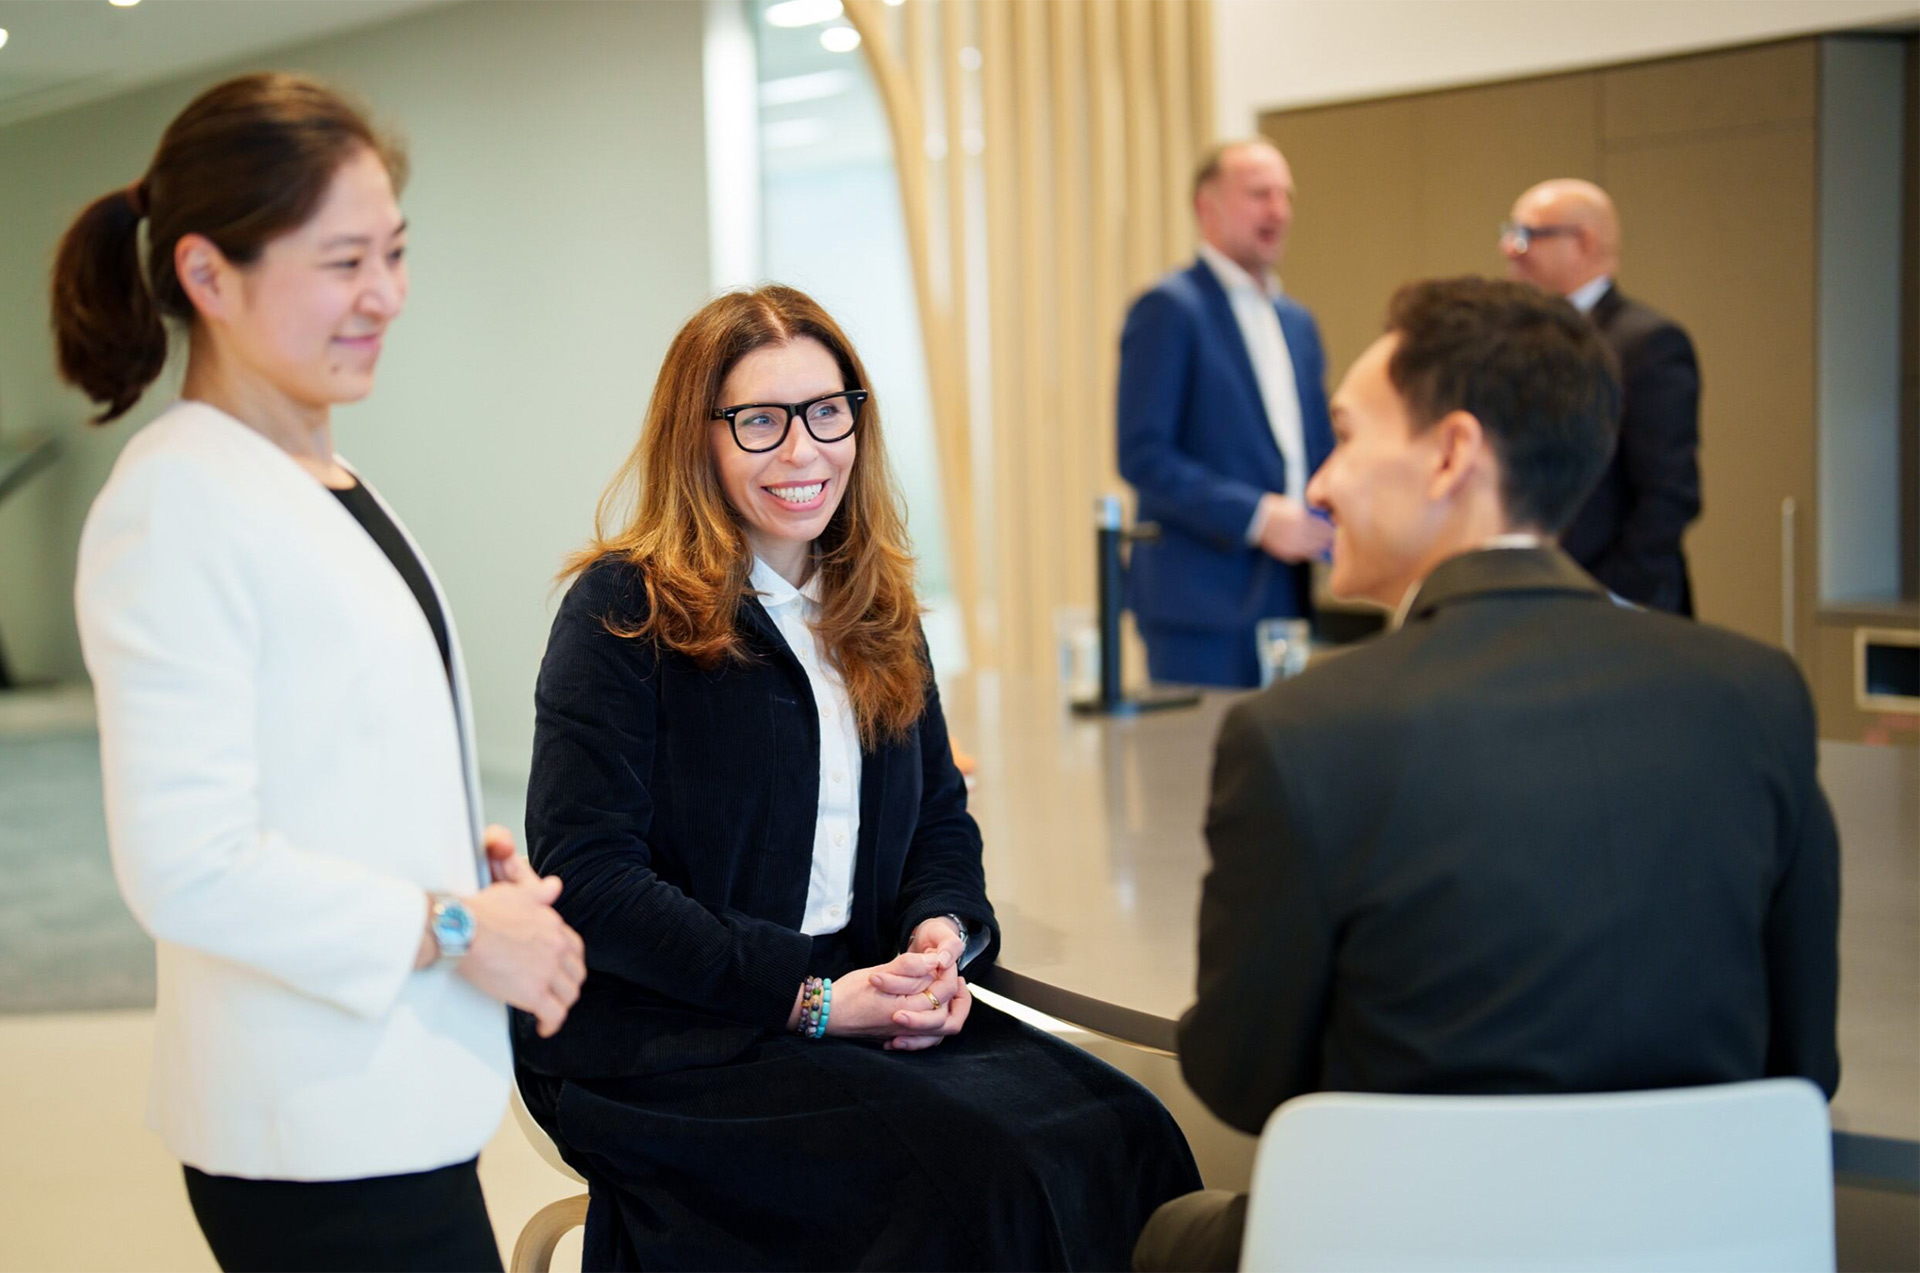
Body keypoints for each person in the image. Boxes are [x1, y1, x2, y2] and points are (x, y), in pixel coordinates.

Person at [1135, 278, 1838, 1272]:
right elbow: (1805, 1064)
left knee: (1168, 1231)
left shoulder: (1300, 733)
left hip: (1402, 1245)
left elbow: (1244, 1081)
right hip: (1693, 1244)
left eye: (1342, 437)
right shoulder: (1758, 695)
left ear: (1453, 454)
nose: (1321, 483)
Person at [516, 284, 1202, 1271]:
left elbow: (937, 818)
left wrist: (944, 931)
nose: (803, 450)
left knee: (1130, 1131)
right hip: (672, 1034)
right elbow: (592, 882)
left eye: (826, 411)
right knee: (993, 1175)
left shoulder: (876, 605)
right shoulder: (625, 610)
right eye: (760, 421)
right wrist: (813, 999)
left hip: (859, 991)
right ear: (696, 438)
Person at [61, 73, 586, 1272]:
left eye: (394, 253)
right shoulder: (174, 502)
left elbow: (334, 744)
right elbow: (185, 865)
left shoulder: (322, 472)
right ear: (207, 275)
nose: (387, 296)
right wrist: (459, 925)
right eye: (344, 261)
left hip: (394, 1099)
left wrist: (460, 857)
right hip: (307, 1133)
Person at [1116, 139, 1336, 688]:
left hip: (1289, 595)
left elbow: (1314, 449)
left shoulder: (1298, 323)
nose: (1278, 210)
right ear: (1205, 207)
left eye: (1286, 196)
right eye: (1260, 194)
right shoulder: (1169, 308)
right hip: (1200, 605)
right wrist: (1258, 517)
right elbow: (1143, 455)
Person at [1503, 177, 1702, 614]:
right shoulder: (1524, 342)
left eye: (1526, 235)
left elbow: (1668, 495)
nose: (1510, 250)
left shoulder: (1647, 343)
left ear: (1584, 242)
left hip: (1619, 604)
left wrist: (1608, 597)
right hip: (1537, 598)